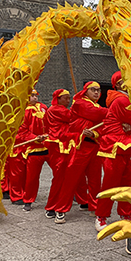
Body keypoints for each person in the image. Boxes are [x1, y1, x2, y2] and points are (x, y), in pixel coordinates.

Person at [53, 82, 108, 224]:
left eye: (98, 90)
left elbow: (104, 127)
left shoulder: (97, 107)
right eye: (93, 90)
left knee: (95, 179)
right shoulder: (80, 103)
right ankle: (61, 209)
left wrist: (94, 133)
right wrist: (115, 110)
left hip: (94, 146)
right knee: (71, 178)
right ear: (85, 91)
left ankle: (94, 207)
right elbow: (97, 115)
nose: (96, 92)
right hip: (79, 145)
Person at [96, 72, 131, 255]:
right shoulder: (121, 100)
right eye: (121, 82)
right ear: (117, 85)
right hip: (113, 147)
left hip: (123, 148)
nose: (125, 84)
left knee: (127, 184)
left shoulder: (127, 99)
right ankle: (101, 216)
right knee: (110, 184)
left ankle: (126, 214)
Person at [43, 89, 86, 219]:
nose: (67, 101)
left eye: (69, 98)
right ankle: (52, 206)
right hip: (59, 146)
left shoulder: (52, 110)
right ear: (58, 99)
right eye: (65, 98)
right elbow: (72, 117)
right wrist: (79, 104)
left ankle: (78, 200)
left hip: (64, 144)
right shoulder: (56, 109)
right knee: (60, 176)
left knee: (66, 176)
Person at [20, 90, 49, 211]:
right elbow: (22, 130)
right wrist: (35, 138)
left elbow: (51, 124)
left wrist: (47, 135)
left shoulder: (43, 107)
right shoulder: (23, 111)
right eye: (32, 96)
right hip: (33, 148)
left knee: (61, 171)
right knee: (32, 177)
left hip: (48, 145)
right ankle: (28, 200)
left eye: (36, 95)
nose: (35, 98)